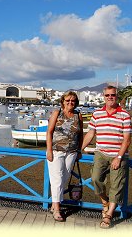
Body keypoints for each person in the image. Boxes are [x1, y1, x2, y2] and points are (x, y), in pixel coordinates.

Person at [81, 85, 132, 229]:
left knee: (116, 185)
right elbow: (91, 133)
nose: (110, 97)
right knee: (95, 178)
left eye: (113, 95)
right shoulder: (97, 114)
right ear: (104, 97)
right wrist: (81, 148)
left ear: (117, 97)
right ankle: (105, 202)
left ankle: (108, 215)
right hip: (101, 153)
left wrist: (119, 157)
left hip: (119, 155)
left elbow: (127, 139)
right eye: (107, 95)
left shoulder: (124, 115)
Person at [46, 91, 83, 222]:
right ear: (63, 102)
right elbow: (49, 132)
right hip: (56, 151)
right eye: (67, 100)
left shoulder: (78, 115)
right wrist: (49, 150)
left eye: (73, 101)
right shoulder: (57, 113)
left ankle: (53, 203)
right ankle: (57, 209)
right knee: (57, 178)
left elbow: (81, 134)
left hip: (72, 152)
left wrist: (79, 150)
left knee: (64, 178)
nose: (70, 103)